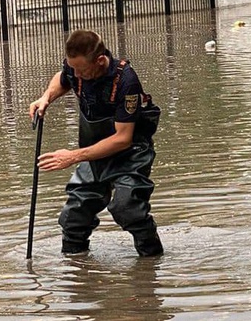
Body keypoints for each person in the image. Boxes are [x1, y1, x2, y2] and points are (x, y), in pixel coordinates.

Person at [28, 29, 163, 256]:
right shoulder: (75, 69)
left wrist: (72, 156)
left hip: (129, 155)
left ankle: (151, 266)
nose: (77, 76)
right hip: (93, 154)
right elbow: (62, 78)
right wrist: (46, 98)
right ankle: (77, 272)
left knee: (127, 208)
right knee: (74, 216)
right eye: (74, 69)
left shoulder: (126, 81)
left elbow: (122, 139)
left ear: (100, 61)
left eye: (82, 70)